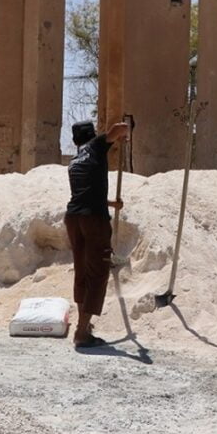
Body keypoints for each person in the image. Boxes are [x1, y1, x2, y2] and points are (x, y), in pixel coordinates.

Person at [64, 120, 129, 348]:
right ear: (92, 136)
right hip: (94, 220)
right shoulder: (96, 146)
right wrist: (123, 133)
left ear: (74, 141)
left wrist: (111, 203)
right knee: (98, 272)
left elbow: (85, 194)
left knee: (82, 272)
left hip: (74, 218)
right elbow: (120, 127)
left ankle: (83, 326)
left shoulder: (74, 161)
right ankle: (82, 332)